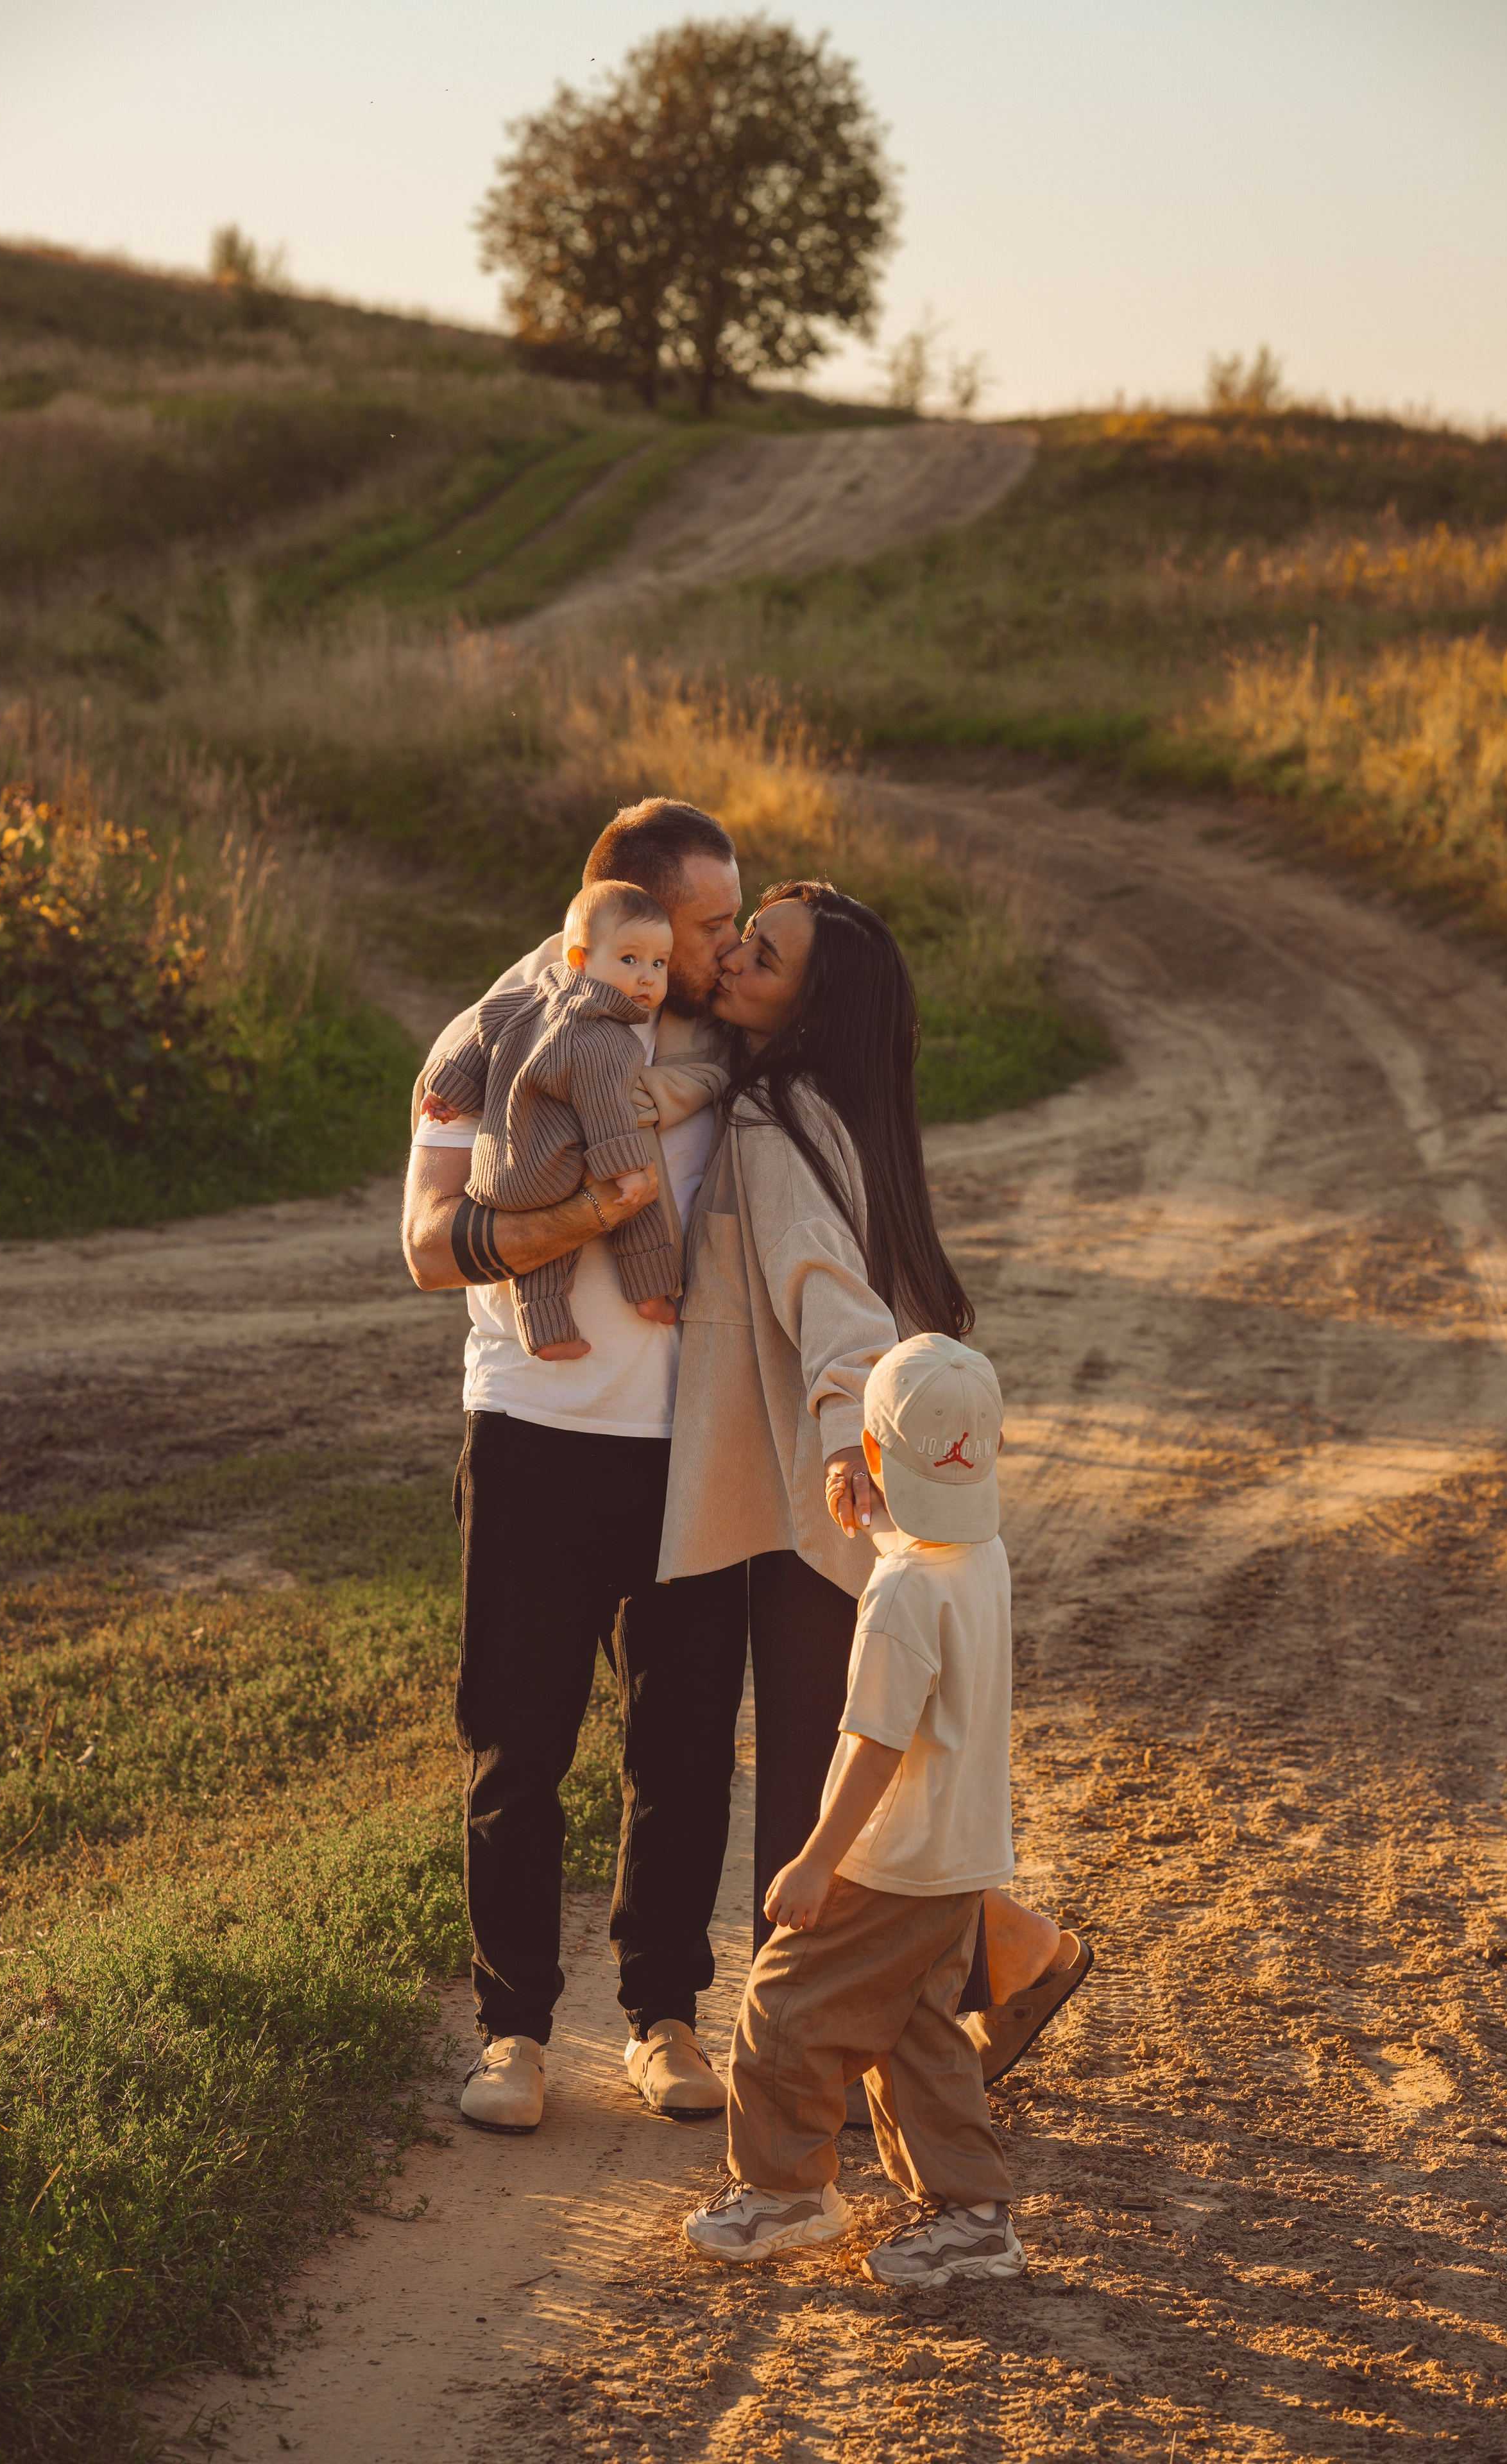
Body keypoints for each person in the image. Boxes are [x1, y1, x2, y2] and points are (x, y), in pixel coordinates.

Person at [657, 880, 1089, 2087]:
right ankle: (1011, 1951)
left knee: (821, 1774)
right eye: (744, 941)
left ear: (813, 1005)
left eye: (767, 955)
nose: (738, 959)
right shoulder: (842, 1111)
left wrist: (847, 1438)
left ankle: (815, 2059)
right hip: (878, 1474)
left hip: (834, 1485)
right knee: (879, 1761)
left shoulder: (774, 1119)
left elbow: (829, 1296)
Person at [400, 799, 747, 2134]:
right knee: (515, 1741)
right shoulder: (490, 1040)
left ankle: (665, 2020)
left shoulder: (733, 1040)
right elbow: (430, 1249)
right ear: (628, 913)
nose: (725, 946)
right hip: (534, 1435)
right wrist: (582, 1218)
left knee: (680, 1747)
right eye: (708, 923)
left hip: (695, 1445)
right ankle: (514, 2037)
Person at [683, 1332, 1034, 2286]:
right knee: (916, 2037)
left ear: (871, 1455)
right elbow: (930, 1552)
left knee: (783, 2008)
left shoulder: (897, 1600)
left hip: (890, 1861)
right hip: (961, 1856)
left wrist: (816, 1862)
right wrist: (883, 1522)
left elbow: (872, 1745)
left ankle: (787, 2192)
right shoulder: (980, 1555)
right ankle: (973, 2215)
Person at [418, 880, 724, 1358]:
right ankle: (651, 1293)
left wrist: (447, 1091)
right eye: (630, 960)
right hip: (553, 1170)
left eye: (658, 964)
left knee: (543, 1262)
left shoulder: (526, 999)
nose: (647, 978)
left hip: (500, 1171)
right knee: (636, 1207)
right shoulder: (606, 1040)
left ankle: (546, 1332)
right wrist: (627, 1171)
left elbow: (480, 1034)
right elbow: (608, 1114)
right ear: (579, 959)